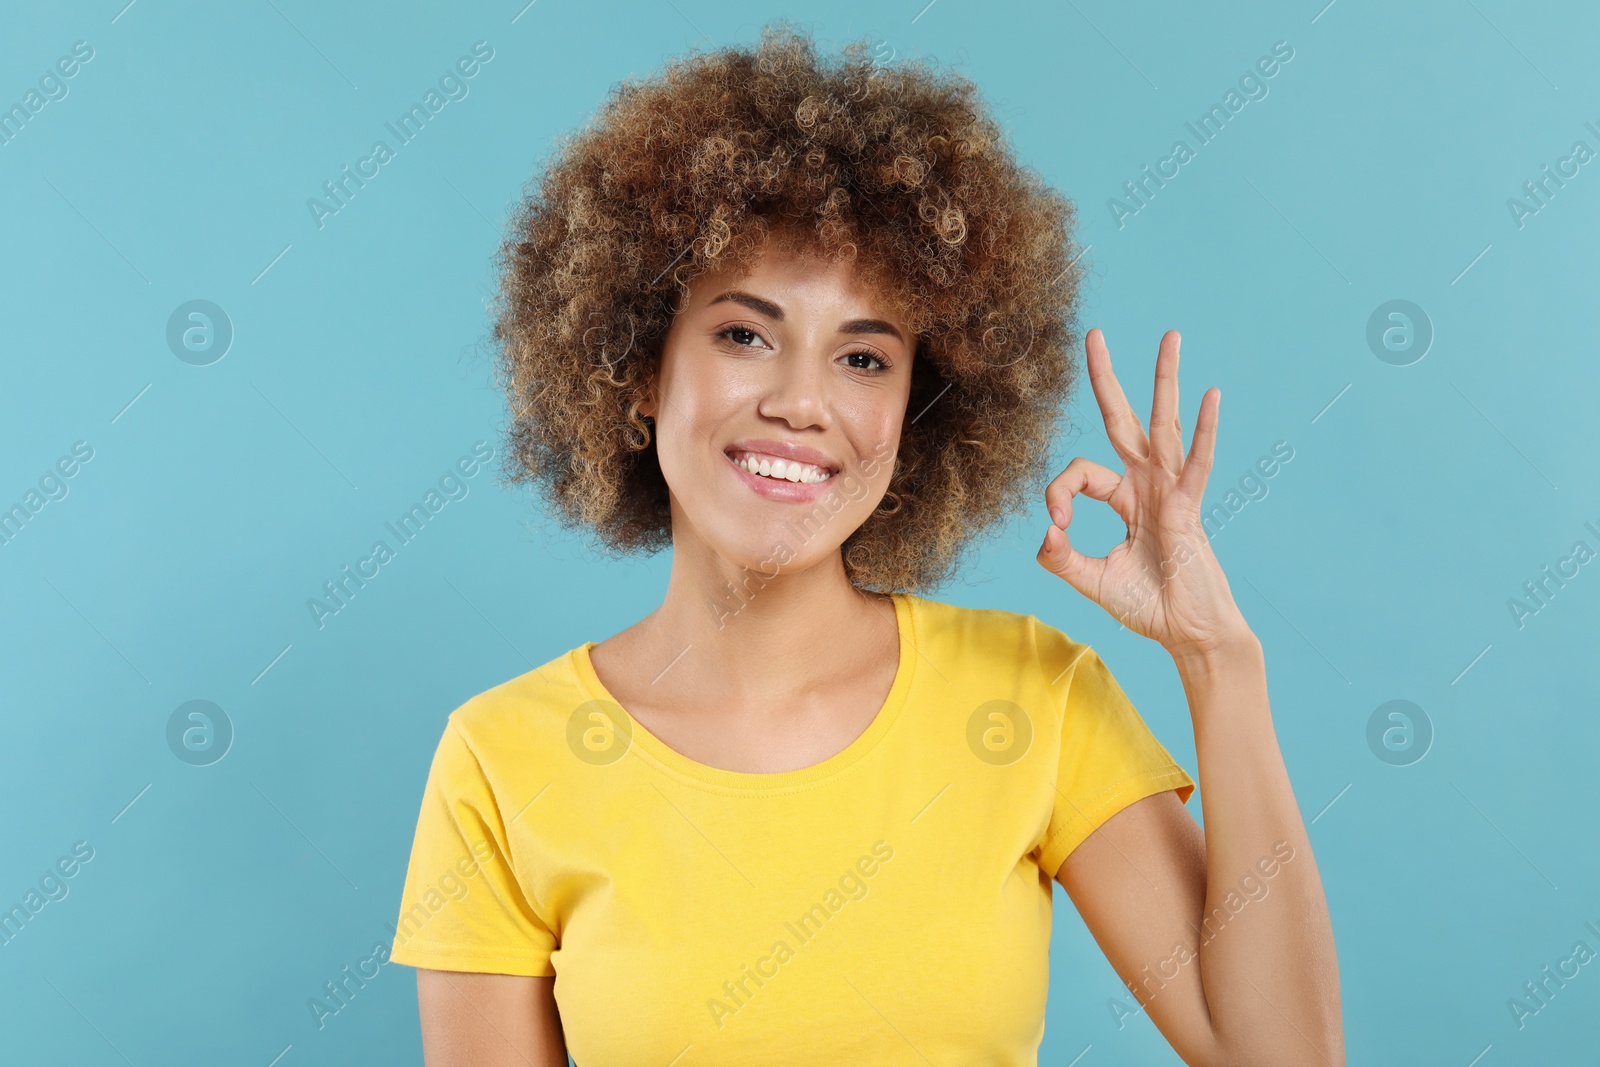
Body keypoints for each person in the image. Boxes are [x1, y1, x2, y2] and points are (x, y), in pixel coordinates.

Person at [388, 21, 1342, 1066]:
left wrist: (1219, 658)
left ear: (916, 415)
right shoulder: (500, 758)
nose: (801, 402)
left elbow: (1281, 1057)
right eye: (744, 333)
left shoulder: (1032, 696)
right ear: (639, 369)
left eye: (862, 357)